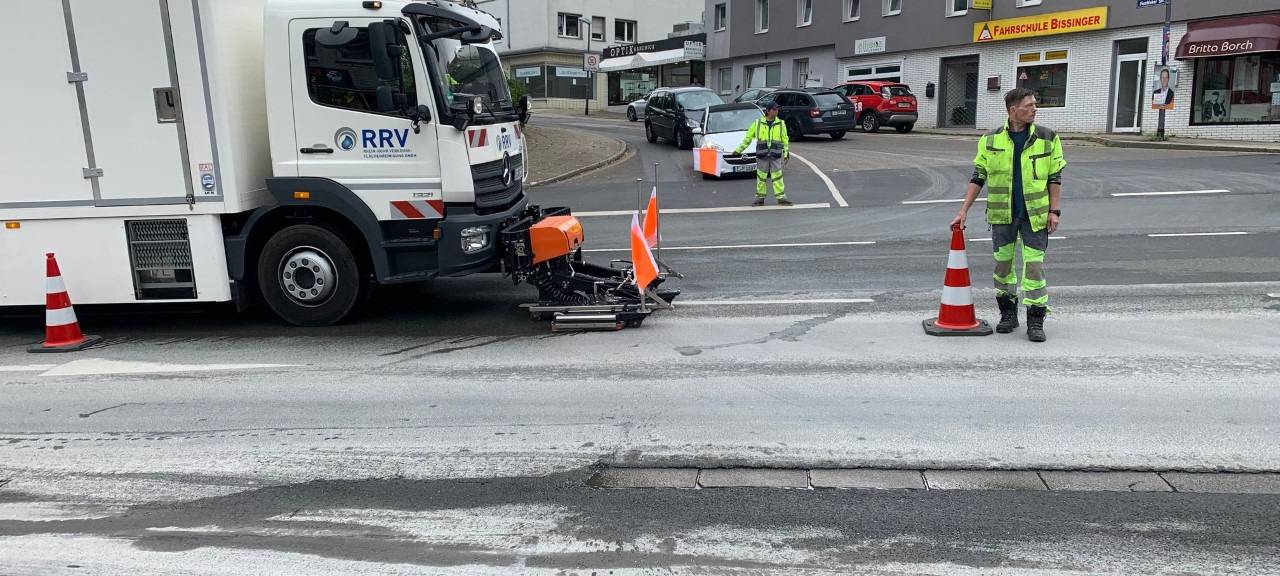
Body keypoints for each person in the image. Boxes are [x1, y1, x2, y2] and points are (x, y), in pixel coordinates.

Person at [949, 88, 1066, 342]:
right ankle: (1008, 315)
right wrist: (963, 210)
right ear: (1014, 111)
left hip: (1035, 215)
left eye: (1035, 104)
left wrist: (1054, 210)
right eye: (1029, 106)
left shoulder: (1048, 137)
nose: (1035, 109)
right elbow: (978, 176)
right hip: (1002, 215)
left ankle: (1035, 320)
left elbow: (1055, 176)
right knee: (1002, 268)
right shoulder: (990, 140)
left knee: (1034, 268)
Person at [734, 101, 793, 207]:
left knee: (778, 177)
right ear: (768, 111)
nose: (777, 111)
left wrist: (786, 154)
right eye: (774, 109)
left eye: (777, 109)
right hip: (762, 156)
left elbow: (785, 140)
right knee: (761, 178)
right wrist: (738, 150)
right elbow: (747, 139)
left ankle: (781, 198)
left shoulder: (781, 123)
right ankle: (759, 199)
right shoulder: (757, 123)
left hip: (775, 155)